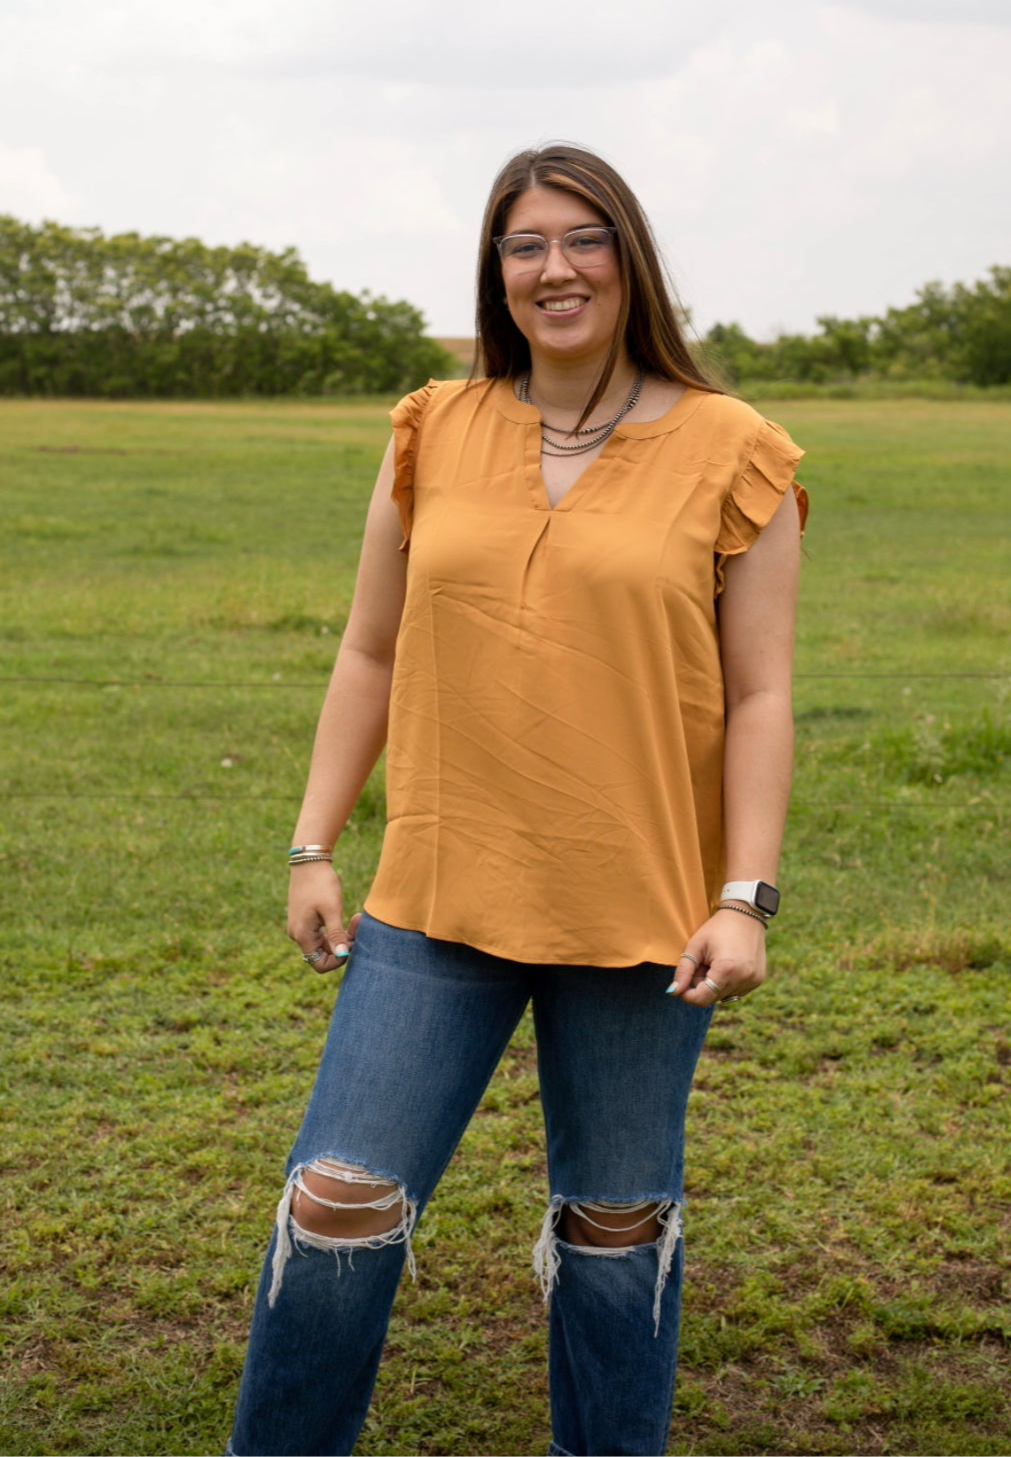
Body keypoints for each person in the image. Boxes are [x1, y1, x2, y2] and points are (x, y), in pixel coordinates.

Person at [224, 142, 807, 1457]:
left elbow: (763, 697)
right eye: (527, 243)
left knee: (616, 1236)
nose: (557, 268)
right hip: (439, 892)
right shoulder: (434, 428)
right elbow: (368, 649)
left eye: (583, 238)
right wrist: (315, 844)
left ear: (629, 257)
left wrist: (745, 898)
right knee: (337, 1204)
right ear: (499, 272)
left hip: (644, 912)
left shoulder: (738, 452)